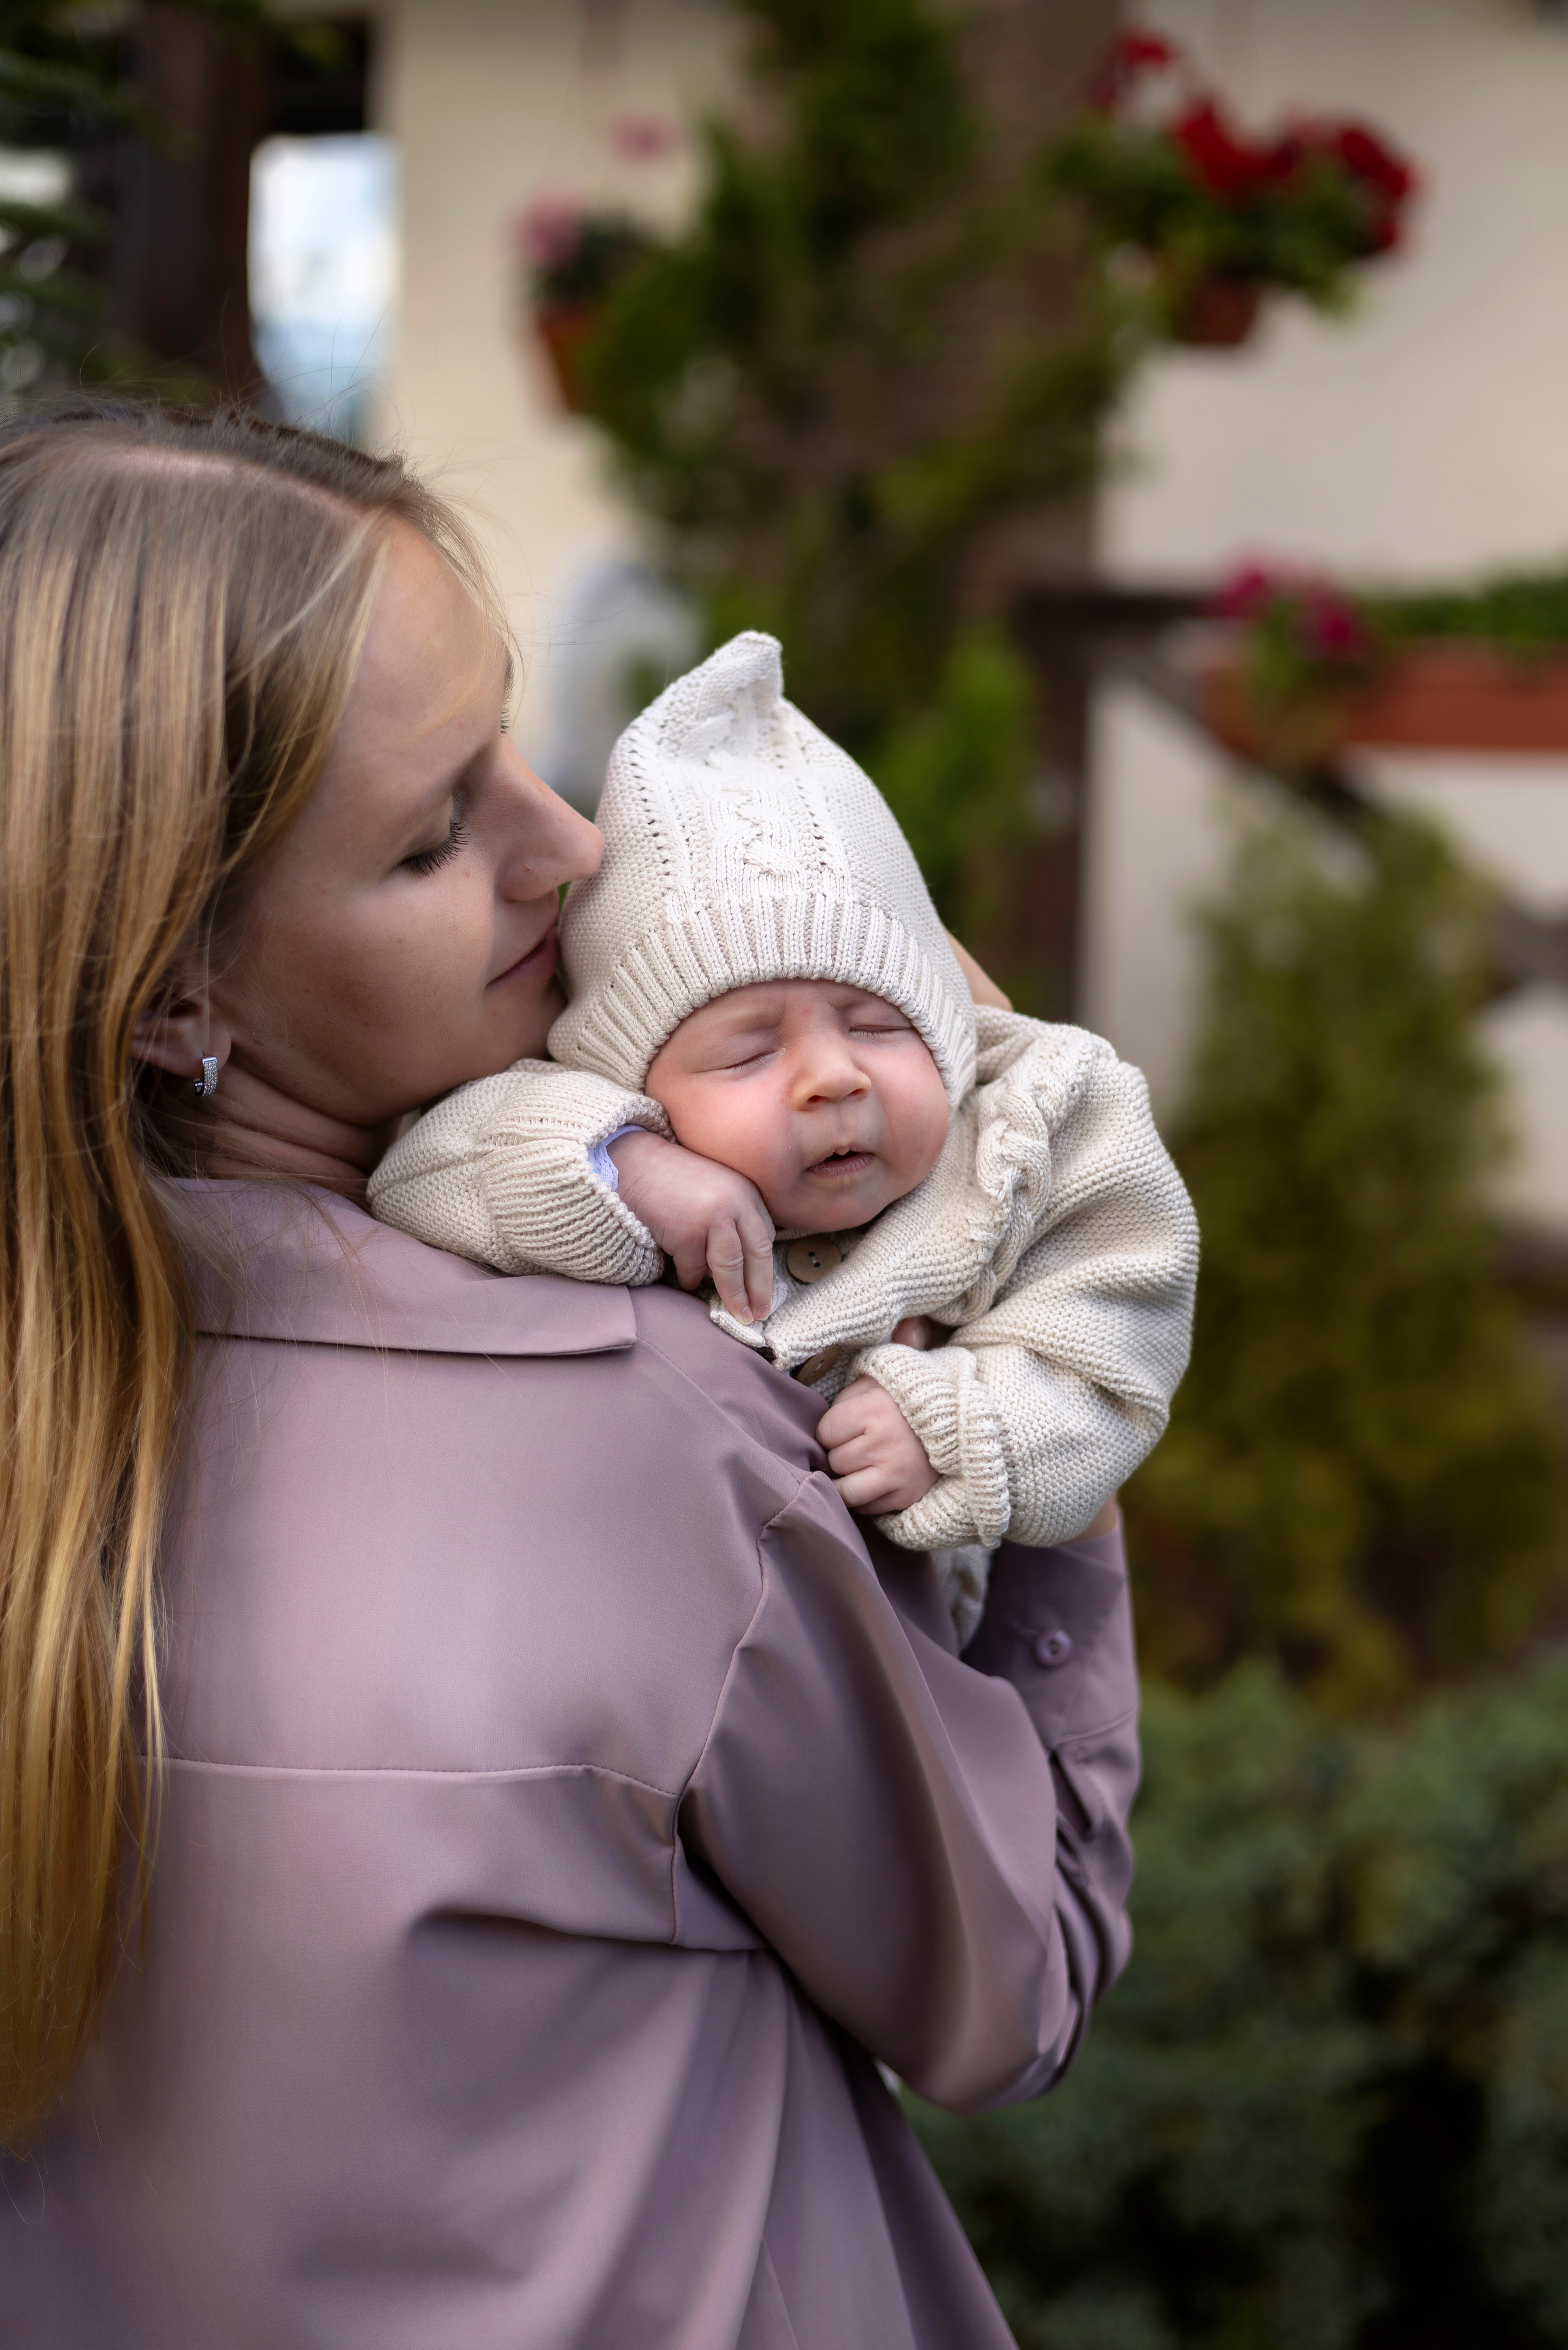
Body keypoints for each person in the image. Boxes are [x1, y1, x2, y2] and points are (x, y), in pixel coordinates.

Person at [0, 402, 1142, 2350]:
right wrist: (1040, 1387)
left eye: (511, 744)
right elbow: (1013, 1983)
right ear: (178, 988)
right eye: (440, 831)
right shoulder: (652, 1435)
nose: (572, 841)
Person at [369, 631, 1198, 1641]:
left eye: (878, 1025)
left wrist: (960, 1423)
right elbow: (423, 1171)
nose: (833, 1076)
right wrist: (623, 1165)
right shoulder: (584, 1126)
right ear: (634, 1078)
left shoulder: (1028, 1133)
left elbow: (1116, 1342)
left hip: (935, 1672)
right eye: (748, 1053)